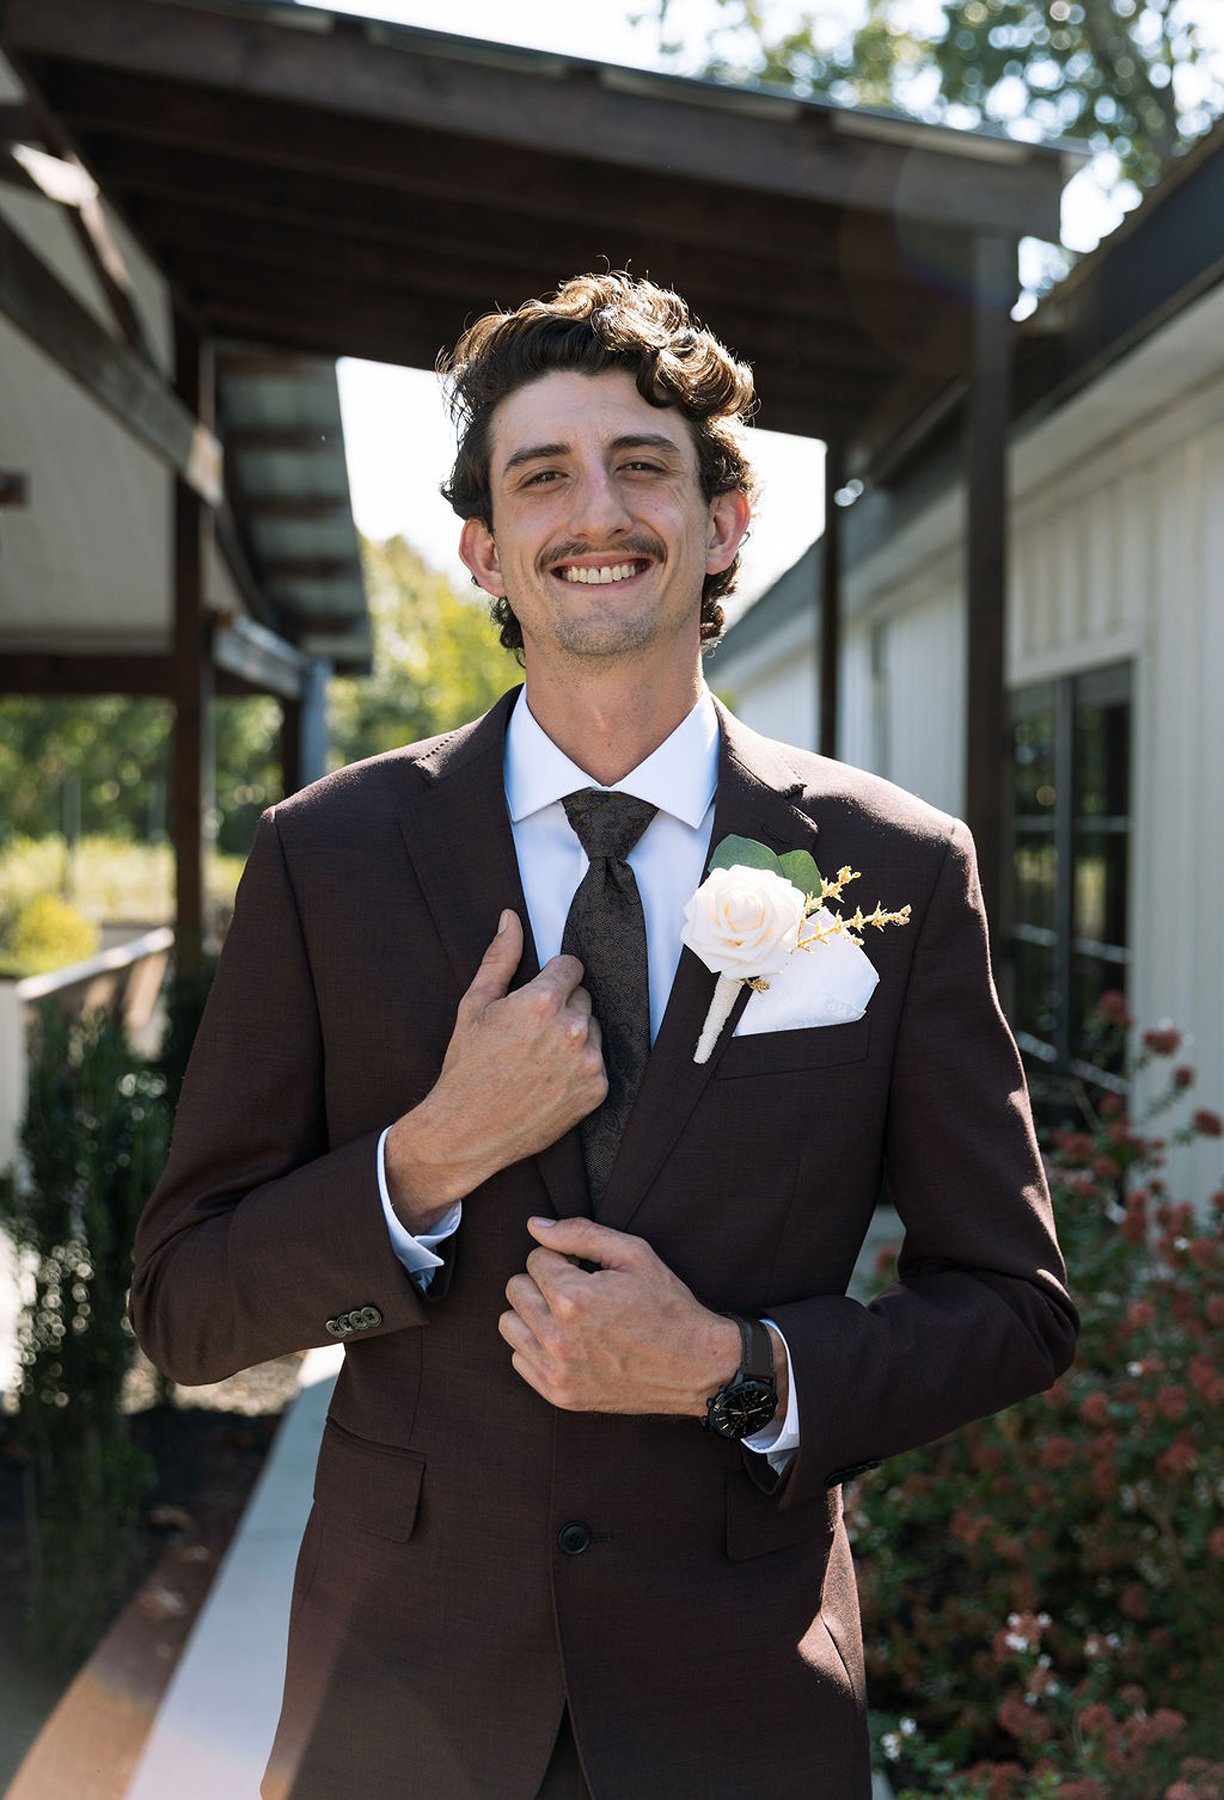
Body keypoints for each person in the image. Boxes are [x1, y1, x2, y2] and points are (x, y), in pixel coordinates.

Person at [131, 272, 1076, 1800]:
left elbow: (1018, 1308)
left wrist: (737, 1367)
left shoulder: (888, 870)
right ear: (483, 549)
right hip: (399, 1711)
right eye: (543, 473)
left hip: (739, 1711)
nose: (600, 509)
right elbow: (185, 1306)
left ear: (725, 518)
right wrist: (428, 1158)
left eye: (644, 463)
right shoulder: (329, 855)